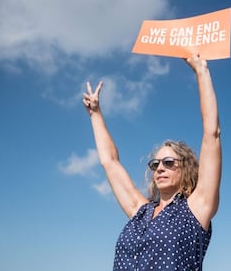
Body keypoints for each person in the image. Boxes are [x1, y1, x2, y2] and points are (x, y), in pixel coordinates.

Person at [83, 54, 222, 270]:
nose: (160, 168)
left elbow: (211, 134)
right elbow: (110, 162)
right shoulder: (140, 212)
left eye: (168, 162)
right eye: (155, 164)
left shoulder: (196, 208)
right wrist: (95, 114)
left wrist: (201, 71)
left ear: (185, 168)